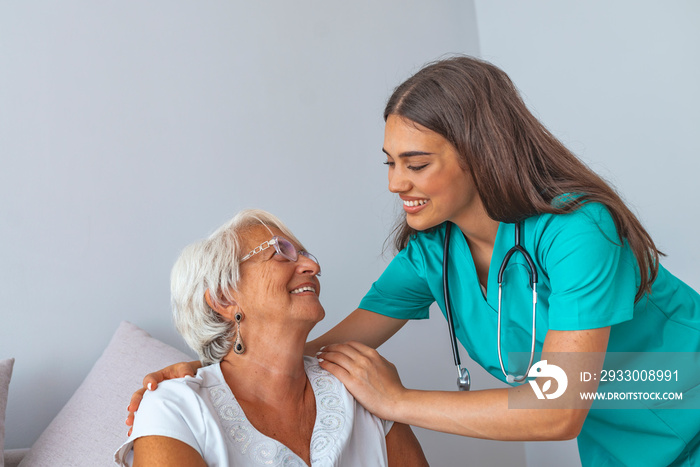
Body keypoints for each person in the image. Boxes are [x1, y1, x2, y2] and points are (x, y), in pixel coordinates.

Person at [128, 56, 700, 466]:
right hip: (624, 447)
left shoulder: (578, 231)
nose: (396, 182)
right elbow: (308, 355)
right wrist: (211, 377)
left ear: (480, 154)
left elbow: (557, 411)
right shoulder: (433, 253)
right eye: (389, 162)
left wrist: (397, 401)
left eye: (416, 163)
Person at [116, 209, 428, 466]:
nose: (313, 266)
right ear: (225, 298)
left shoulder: (364, 384)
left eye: (306, 254)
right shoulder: (174, 408)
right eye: (281, 253)